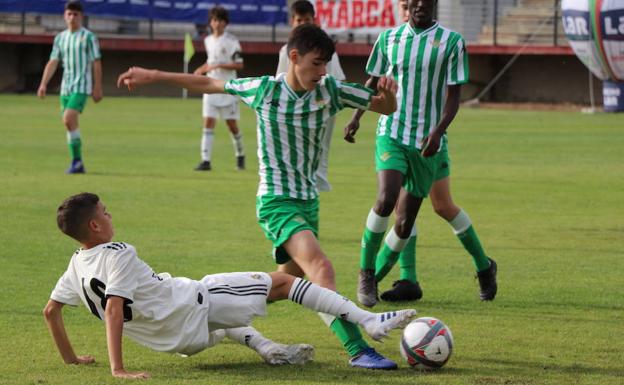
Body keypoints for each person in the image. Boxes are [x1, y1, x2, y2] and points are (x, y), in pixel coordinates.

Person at [118, 24, 404, 370]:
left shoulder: (331, 91)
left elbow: (384, 108)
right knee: (320, 269)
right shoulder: (264, 90)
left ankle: (202, 313)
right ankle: (359, 350)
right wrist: (153, 74)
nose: (323, 71)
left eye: (326, 64)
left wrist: (389, 94)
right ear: (294, 58)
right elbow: (209, 83)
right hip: (275, 201)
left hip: (307, 201)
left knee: (284, 284)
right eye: (316, 63)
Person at [44, 192, 416, 379]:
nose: (110, 216)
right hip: (191, 304)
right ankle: (368, 320)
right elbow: (113, 307)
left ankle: (270, 349)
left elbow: (51, 311)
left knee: (226, 317)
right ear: (94, 227)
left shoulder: (75, 265)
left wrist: (70, 359)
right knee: (286, 282)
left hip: (178, 341)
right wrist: (117, 369)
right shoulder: (118, 252)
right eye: (105, 213)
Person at [344, 0, 497, 308]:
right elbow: (372, 81)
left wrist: (438, 132)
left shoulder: (451, 42)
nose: (419, 4)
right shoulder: (389, 38)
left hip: (427, 141)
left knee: (409, 220)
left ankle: (478, 266)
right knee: (386, 198)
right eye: (412, 0)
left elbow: (455, 96)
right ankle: (368, 274)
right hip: (392, 133)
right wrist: (357, 117)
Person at [275, 0, 346, 191]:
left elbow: (338, 81)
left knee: (320, 153)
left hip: (322, 107)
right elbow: (280, 82)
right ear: (292, 21)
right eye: (299, 20)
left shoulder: (325, 49)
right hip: (295, 110)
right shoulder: (286, 51)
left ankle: (316, 189)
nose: (303, 24)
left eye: (307, 19)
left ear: (314, 20)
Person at [37, 1, 102, 174]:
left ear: (81, 16)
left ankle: (77, 161)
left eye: (76, 14)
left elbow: (96, 62)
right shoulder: (60, 38)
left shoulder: (88, 37)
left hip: (81, 86)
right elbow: (53, 61)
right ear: (64, 16)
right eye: (69, 14)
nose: (72, 17)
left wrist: (97, 87)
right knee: (70, 124)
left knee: (68, 118)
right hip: (65, 88)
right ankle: (77, 162)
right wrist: (43, 84)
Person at [193, 6, 245, 171]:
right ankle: (205, 160)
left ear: (225, 23)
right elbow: (211, 61)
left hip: (227, 88)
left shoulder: (232, 41)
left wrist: (219, 65)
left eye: (220, 20)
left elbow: (239, 64)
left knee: (232, 125)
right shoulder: (208, 40)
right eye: (214, 20)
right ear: (210, 22)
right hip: (210, 87)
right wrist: (201, 69)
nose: (217, 23)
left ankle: (240, 154)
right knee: (208, 122)